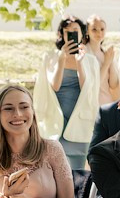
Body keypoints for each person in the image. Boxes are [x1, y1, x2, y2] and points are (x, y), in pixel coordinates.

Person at [33, 16, 100, 169]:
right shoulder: (51, 57)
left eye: (75, 31)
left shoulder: (90, 60)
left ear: (82, 34)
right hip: (56, 121)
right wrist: (62, 60)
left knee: (77, 172)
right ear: (62, 34)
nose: (71, 34)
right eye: (67, 31)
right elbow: (54, 86)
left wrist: (80, 63)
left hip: (79, 122)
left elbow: (87, 90)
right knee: (54, 169)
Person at [84, 14, 120, 105]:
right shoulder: (84, 53)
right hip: (91, 103)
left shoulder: (106, 53)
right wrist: (106, 63)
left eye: (102, 29)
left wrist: (111, 61)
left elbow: (113, 84)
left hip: (107, 102)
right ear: (87, 31)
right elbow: (94, 84)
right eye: (94, 29)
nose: (99, 33)